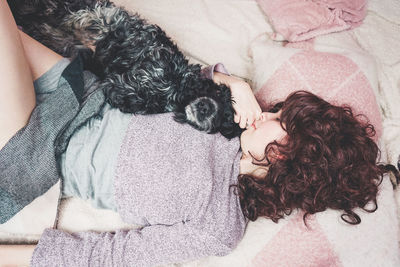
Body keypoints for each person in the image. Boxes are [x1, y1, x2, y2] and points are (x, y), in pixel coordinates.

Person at [0, 1, 397, 266]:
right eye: (280, 110)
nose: (270, 112)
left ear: (288, 160)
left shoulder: (221, 225)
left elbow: (116, 255)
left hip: (43, 149)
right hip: (82, 91)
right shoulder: (233, 119)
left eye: (282, 122)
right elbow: (170, 80)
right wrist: (234, 83)